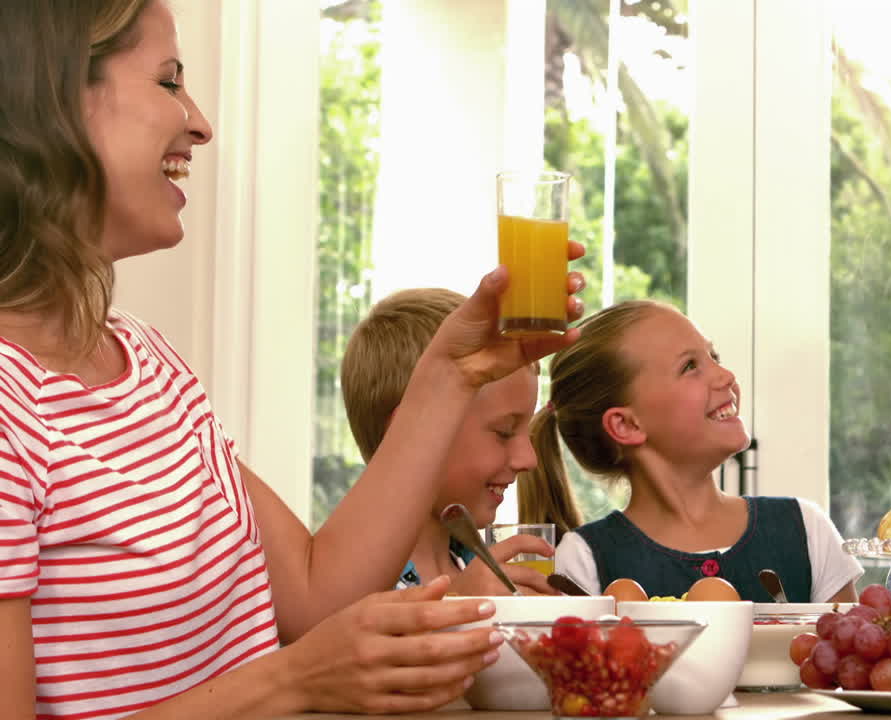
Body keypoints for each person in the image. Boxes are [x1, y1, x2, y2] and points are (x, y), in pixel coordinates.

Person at [0, 2, 585, 718]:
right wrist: (293, 682)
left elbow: (314, 594)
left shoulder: (150, 365)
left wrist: (451, 371)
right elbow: (305, 654)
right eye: (168, 82)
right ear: (54, 101)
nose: (200, 122)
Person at [528, 300, 862, 602]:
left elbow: (847, 657)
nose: (726, 376)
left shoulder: (806, 529)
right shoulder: (581, 562)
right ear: (627, 425)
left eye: (713, 357)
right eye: (690, 366)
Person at [341, 287, 583, 594]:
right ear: (413, 433)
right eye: (504, 432)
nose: (528, 459)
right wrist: (459, 607)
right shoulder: (352, 594)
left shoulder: (484, 573)